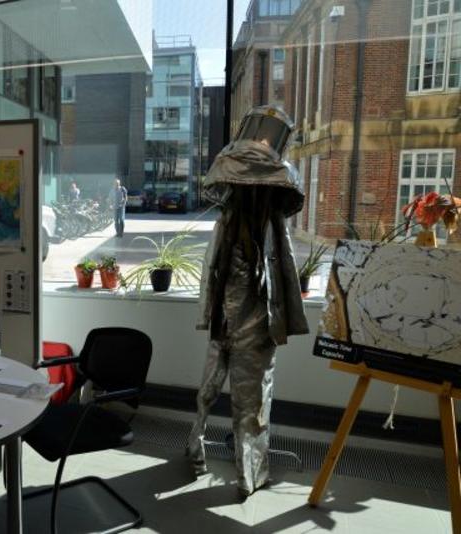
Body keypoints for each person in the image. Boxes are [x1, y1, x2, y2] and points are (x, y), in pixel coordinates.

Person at [186, 105, 309, 497]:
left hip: (256, 318)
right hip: (228, 315)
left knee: (251, 403)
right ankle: (198, 450)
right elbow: (216, 268)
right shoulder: (233, 212)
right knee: (210, 391)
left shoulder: (271, 218)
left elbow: (280, 272)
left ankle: (249, 473)